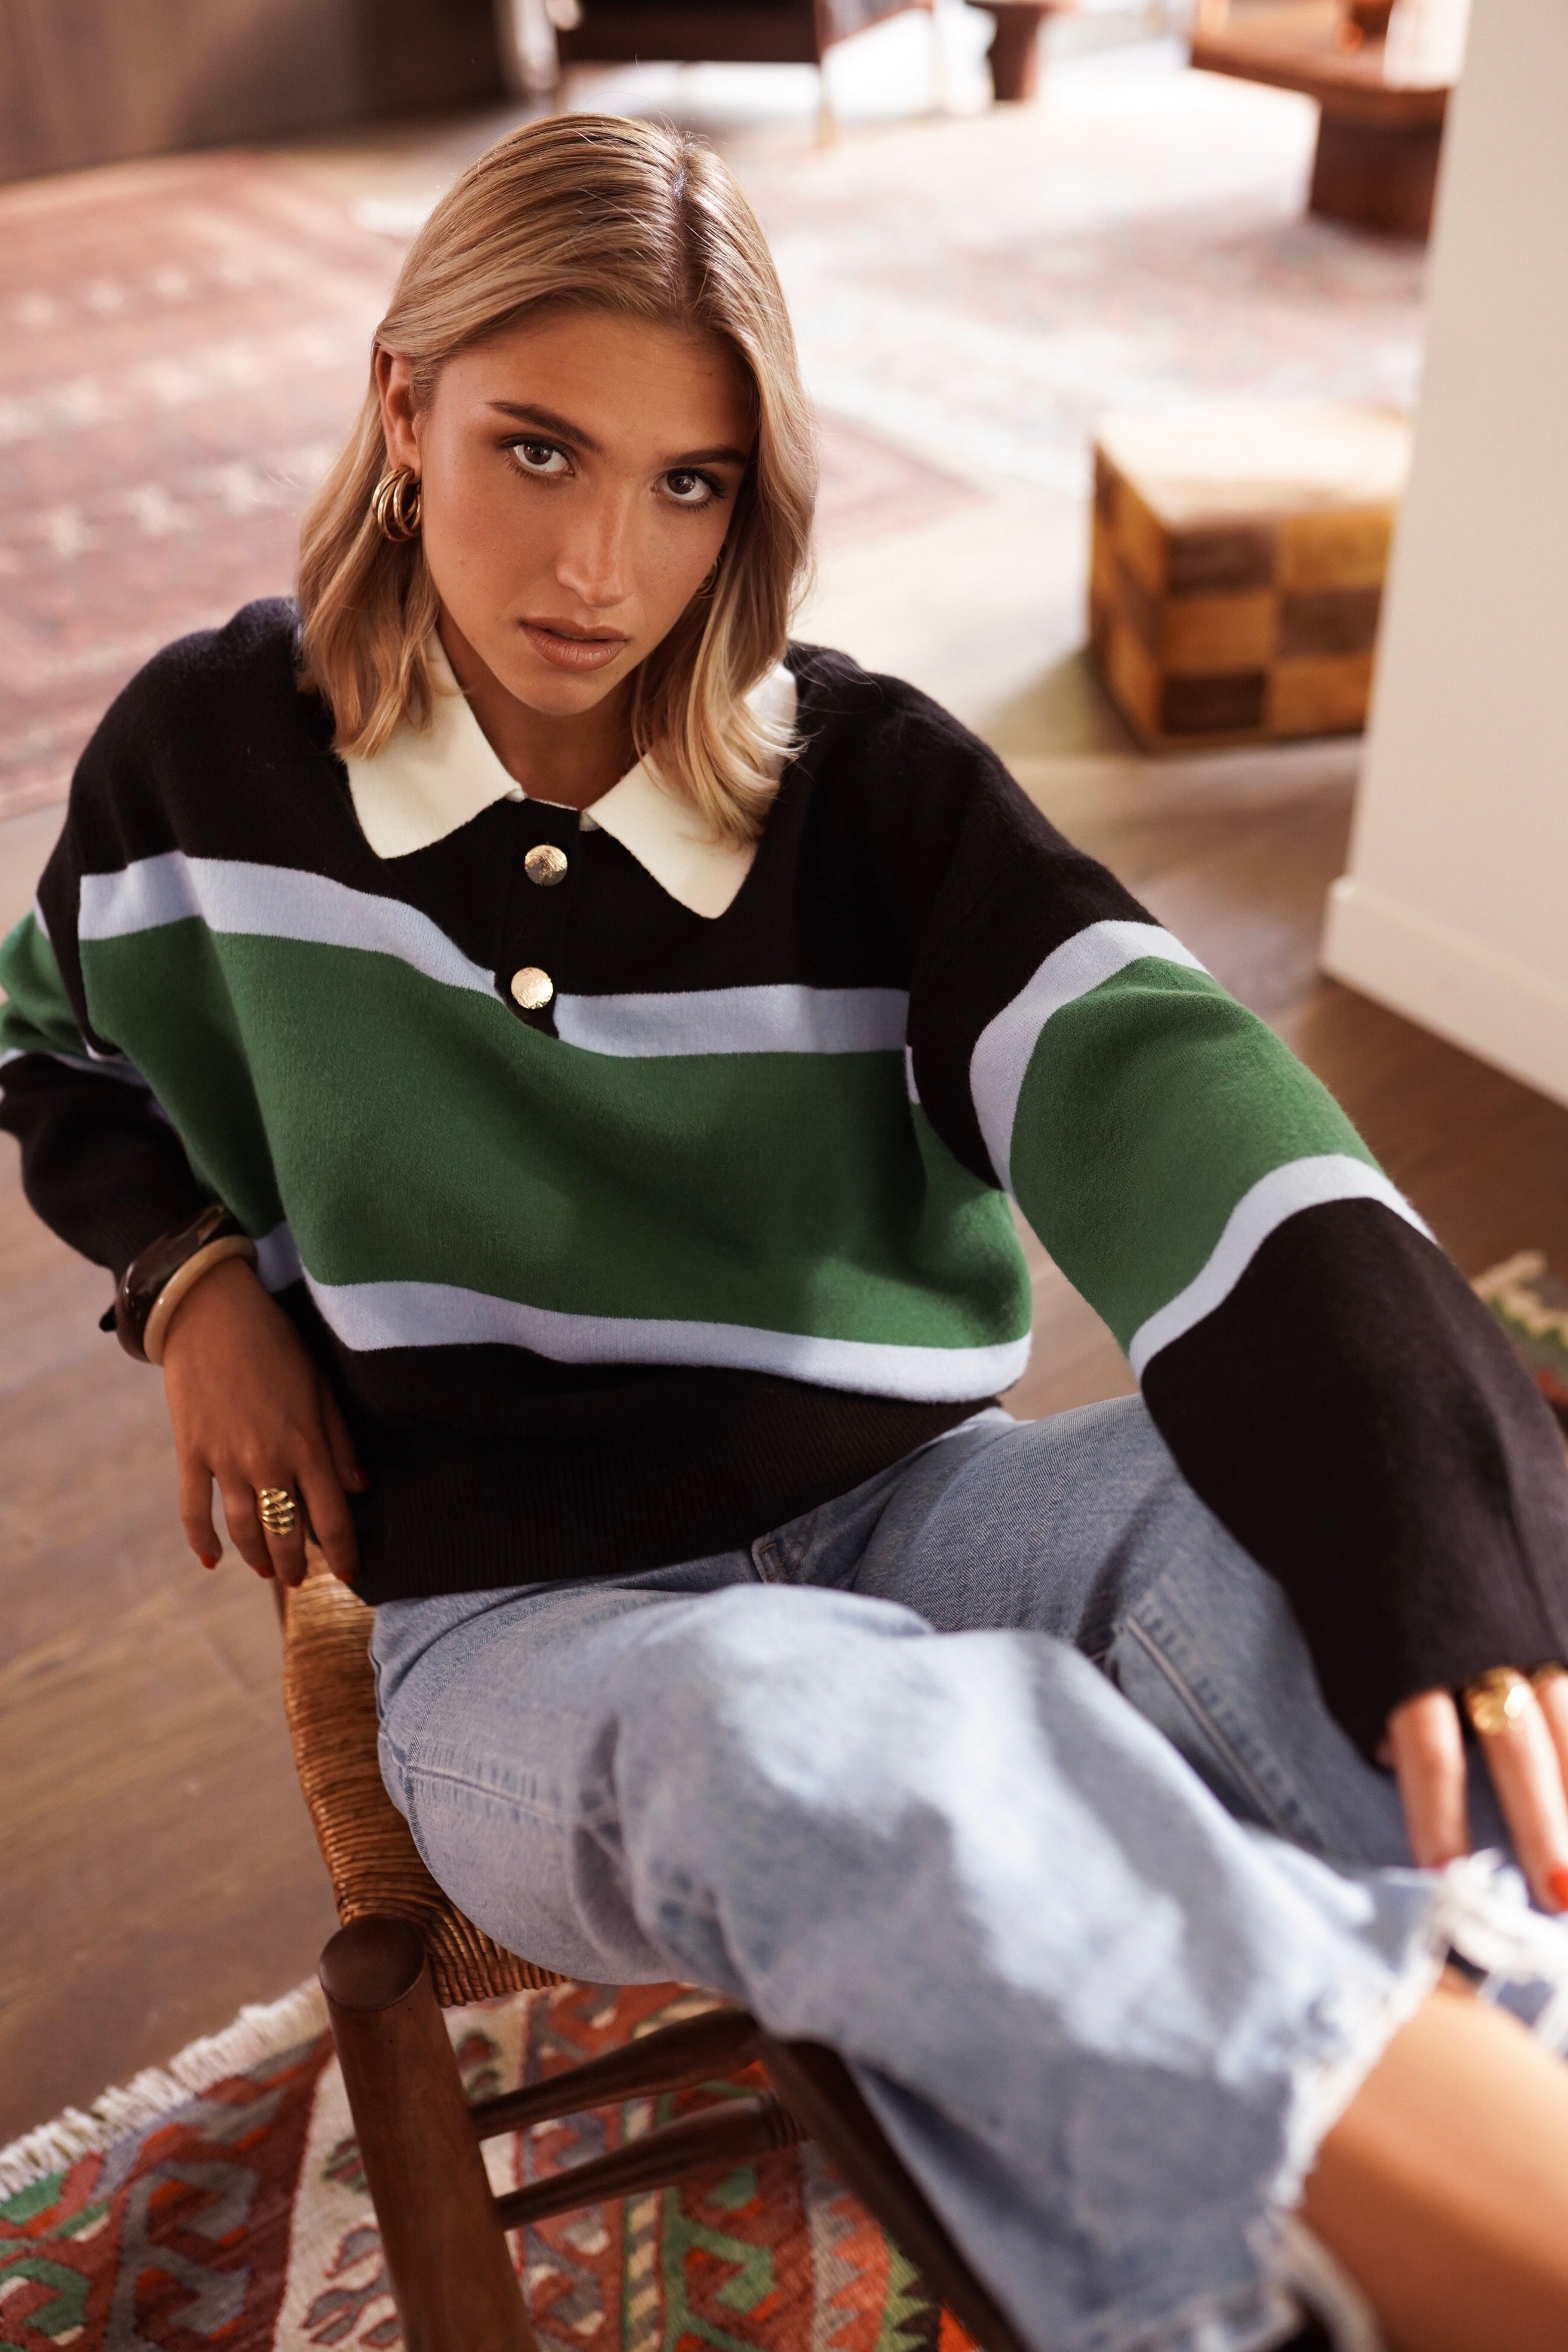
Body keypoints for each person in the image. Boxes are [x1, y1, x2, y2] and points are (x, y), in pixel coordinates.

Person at [5, 112, 1568, 2352]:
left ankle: (1473, 2124)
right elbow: (49, 1041)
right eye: (538, 450)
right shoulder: (200, 761)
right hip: (519, 1626)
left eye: (690, 484)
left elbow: (1151, 1076)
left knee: (1333, 1555)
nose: (601, 565)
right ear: (402, 406)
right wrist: (185, 1290)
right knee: (809, 1735)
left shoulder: (865, 784)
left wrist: (1427, 1492)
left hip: (922, 1508)